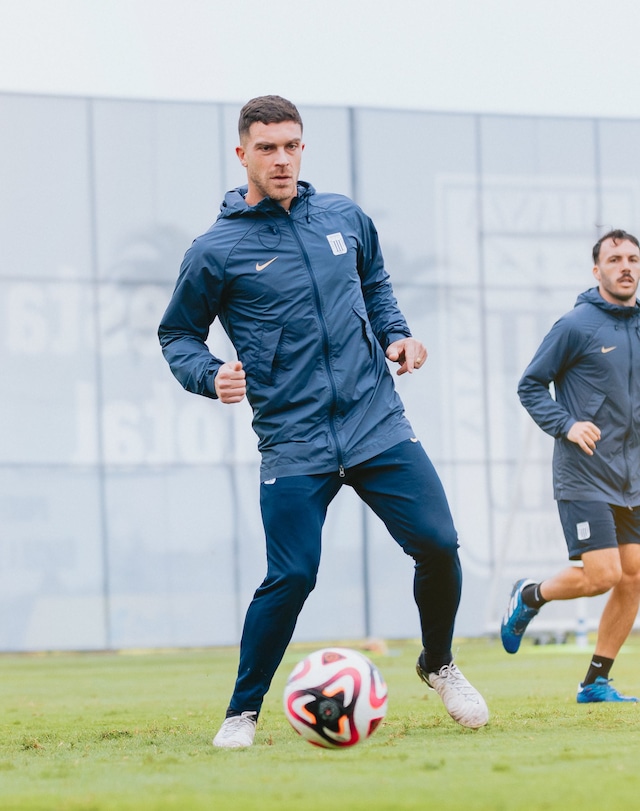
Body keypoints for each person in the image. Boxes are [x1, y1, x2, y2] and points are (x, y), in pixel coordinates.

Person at [158, 95, 488, 748]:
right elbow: (178, 336)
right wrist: (209, 374)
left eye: (291, 145)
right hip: (295, 439)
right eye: (267, 148)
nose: (281, 159)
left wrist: (397, 335)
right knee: (293, 575)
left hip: (375, 421)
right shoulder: (215, 250)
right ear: (242, 154)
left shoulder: (343, 217)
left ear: (303, 148)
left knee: (439, 544)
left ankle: (439, 663)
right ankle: (242, 712)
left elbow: (376, 285)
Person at [501, 228, 640, 703]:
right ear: (596, 270)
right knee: (603, 576)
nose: (626, 267)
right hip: (585, 474)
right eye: (615, 259)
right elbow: (530, 385)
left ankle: (595, 682)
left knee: (634, 574)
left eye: (633, 259)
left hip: (632, 477)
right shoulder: (576, 325)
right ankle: (530, 595)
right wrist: (567, 424)